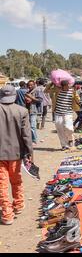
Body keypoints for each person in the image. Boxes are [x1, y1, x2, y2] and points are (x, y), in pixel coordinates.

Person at [0, 85, 33, 225]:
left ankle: (7, 214)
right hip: (16, 153)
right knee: (16, 179)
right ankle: (18, 204)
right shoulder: (22, 111)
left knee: (1, 184)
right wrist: (29, 152)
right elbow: (26, 135)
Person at [46, 80, 80, 151]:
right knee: (59, 129)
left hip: (68, 112)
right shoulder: (56, 90)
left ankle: (70, 140)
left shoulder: (72, 91)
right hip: (58, 113)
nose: (68, 87)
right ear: (62, 86)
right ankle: (64, 145)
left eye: (68, 85)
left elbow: (78, 99)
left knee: (69, 128)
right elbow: (46, 90)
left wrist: (75, 93)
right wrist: (51, 83)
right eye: (66, 86)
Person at [25, 80, 43, 145]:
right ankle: (31, 139)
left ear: (34, 84)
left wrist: (31, 97)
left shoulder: (37, 91)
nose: (30, 86)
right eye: (28, 85)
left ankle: (34, 140)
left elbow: (40, 100)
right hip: (28, 111)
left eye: (31, 85)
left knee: (32, 126)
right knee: (29, 126)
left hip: (34, 110)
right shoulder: (27, 91)